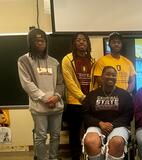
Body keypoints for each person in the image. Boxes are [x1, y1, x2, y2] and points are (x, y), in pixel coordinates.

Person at [18, 28, 64, 160]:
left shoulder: (54, 62)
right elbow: (27, 84)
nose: (40, 43)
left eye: (42, 40)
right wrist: (45, 99)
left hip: (56, 106)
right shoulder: (24, 60)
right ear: (31, 42)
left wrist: (56, 97)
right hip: (39, 108)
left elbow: (61, 84)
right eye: (36, 41)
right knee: (41, 136)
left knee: (56, 136)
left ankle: (53, 157)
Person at [82, 66, 133, 160]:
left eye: (113, 75)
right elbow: (85, 114)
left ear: (116, 78)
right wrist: (100, 123)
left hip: (118, 126)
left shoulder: (125, 95)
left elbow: (128, 115)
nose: (110, 77)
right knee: (90, 141)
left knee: (117, 142)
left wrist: (112, 125)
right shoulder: (92, 95)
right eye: (107, 74)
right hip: (96, 125)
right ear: (101, 77)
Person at [61, 32, 95, 160]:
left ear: (88, 43)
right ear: (74, 43)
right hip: (74, 103)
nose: (81, 42)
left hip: (90, 103)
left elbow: (95, 81)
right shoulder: (67, 59)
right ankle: (76, 157)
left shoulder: (92, 60)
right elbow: (69, 82)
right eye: (78, 40)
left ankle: (90, 156)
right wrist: (82, 97)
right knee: (74, 133)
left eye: (84, 40)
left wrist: (90, 98)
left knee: (90, 132)